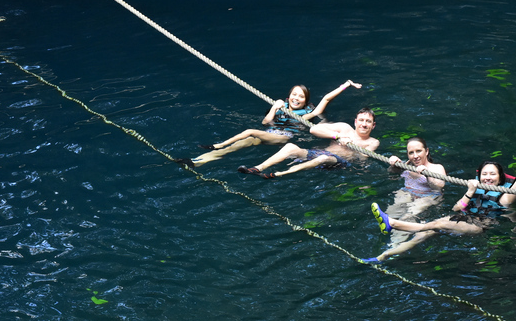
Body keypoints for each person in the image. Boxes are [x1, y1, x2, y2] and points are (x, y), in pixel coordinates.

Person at [363, 134, 516, 262]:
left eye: (492, 174)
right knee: (423, 235)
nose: (488, 177)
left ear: (500, 178)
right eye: (485, 174)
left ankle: (395, 224)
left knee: (438, 223)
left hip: (479, 226)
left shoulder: (506, 197)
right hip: (461, 218)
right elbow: (457, 210)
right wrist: (469, 191)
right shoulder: (475, 189)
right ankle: (384, 256)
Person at [178, 80, 362, 168]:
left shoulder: (307, 113)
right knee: (240, 143)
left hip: (282, 137)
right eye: (294, 95)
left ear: (305, 101)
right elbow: (266, 122)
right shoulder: (281, 106)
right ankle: (199, 161)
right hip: (269, 132)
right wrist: (274, 107)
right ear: (289, 96)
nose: (296, 98)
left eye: (301, 96)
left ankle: (214, 148)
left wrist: (347, 85)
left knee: (251, 132)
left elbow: (327, 99)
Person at [237, 108, 379, 178]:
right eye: (361, 120)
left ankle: (279, 174)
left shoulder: (373, 142)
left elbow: (362, 159)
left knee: (323, 158)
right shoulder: (344, 128)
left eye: (368, 122)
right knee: (290, 146)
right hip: (320, 154)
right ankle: (257, 168)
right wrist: (338, 136)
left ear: (373, 126)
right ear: (355, 121)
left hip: (339, 162)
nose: (364, 124)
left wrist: (352, 146)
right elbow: (314, 129)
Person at [383, 137, 447, 221]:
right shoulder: (407, 166)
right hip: (407, 193)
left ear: (426, 151)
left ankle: (401, 227)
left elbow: (439, 186)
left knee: (408, 216)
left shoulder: (436, 168)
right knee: (390, 214)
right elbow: (391, 175)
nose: (415, 156)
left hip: (428, 197)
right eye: (411, 153)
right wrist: (393, 165)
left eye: (418, 151)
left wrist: (427, 174)